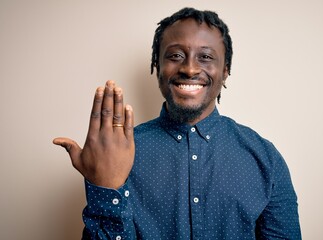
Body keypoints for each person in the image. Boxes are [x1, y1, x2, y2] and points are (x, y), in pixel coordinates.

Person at [53, 7, 301, 240]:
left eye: (205, 56)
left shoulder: (265, 158)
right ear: (157, 66)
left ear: (225, 71)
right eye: (175, 55)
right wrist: (105, 187)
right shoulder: (113, 154)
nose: (190, 68)